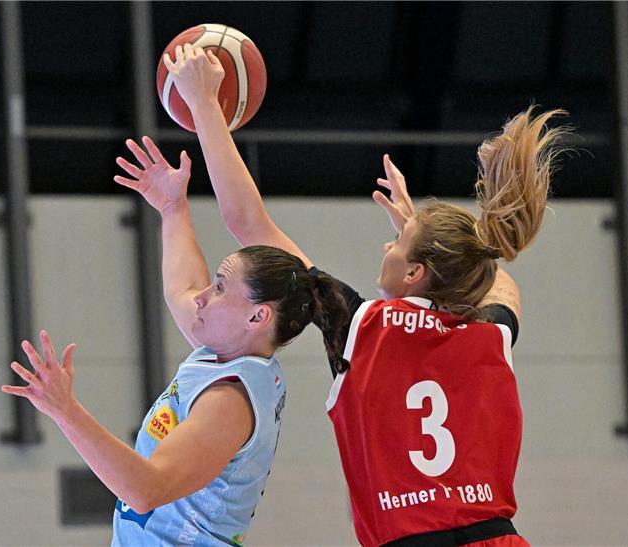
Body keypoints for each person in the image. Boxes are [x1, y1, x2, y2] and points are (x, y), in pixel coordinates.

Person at [163, 44, 569, 546]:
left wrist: (205, 105)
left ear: (417, 272)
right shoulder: (489, 335)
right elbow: (495, 276)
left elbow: (247, 222)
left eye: (396, 242)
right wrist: (425, 241)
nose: (386, 243)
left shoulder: (362, 328)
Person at [1, 136, 349, 546]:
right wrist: (172, 207)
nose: (203, 295)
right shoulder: (226, 353)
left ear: (257, 316)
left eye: (219, 288)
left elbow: (145, 489)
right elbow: (181, 288)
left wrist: (66, 411)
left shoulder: (230, 400)